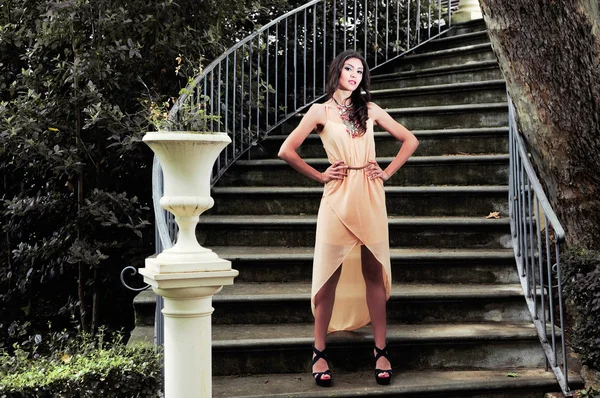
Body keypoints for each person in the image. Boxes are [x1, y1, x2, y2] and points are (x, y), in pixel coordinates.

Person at [278, 50, 419, 387]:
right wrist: (320, 175)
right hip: (337, 198)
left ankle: (381, 349)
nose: (355, 75)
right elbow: (286, 150)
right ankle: (319, 350)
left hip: (370, 194)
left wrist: (385, 172)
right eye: (349, 68)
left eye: (360, 70)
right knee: (329, 276)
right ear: (337, 71)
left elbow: (410, 140)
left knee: (373, 272)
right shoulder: (320, 111)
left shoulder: (369, 108)